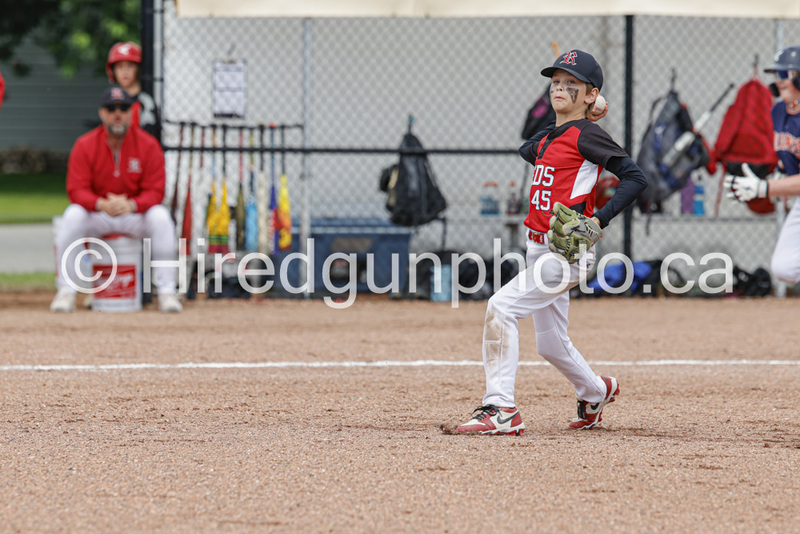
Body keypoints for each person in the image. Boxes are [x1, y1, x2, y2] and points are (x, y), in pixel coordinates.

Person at [456, 50, 647, 435]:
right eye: (556, 83)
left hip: (566, 251)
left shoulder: (588, 136)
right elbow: (528, 148)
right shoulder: (557, 135)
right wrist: (577, 112)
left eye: (571, 84)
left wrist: (598, 220)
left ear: (591, 93)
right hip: (537, 248)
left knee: (501, 307)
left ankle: (501, 409)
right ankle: (596, 391)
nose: (560, 88)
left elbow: (635, 177)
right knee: (551, 344)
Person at [50, 86, 181, 313]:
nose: (117, 113)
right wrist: (101, 204)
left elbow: (156, 190)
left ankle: (167, 291)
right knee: (72, 215)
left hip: (133, 213)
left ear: (132, 113)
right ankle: (66, 291)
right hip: (100, 212)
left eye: (123, 108)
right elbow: (76, 189)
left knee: (161, 217)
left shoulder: (148, 145)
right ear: (102, 113)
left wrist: (131, 204)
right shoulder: (85, 144)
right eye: (111, 108)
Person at [726, 46, 800, 285]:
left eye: (784, 75)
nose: (778, 82)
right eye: (776, 76)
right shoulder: (779, 112)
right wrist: (780, 174)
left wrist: (765, 188)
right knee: (785, 268)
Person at [106, 42, 161, 143]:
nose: (125, 71)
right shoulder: (111, 102)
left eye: (130, 66)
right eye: (120, 67)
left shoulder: (145, 102)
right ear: (113, 71)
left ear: (138, 69)